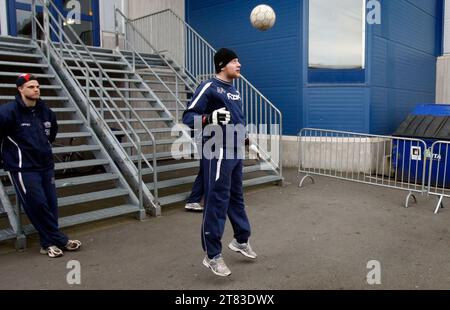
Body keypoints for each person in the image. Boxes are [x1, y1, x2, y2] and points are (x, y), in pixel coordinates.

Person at [182, 48, 259, 277]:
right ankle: (212, 255)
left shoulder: (234, 91)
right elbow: (187, 117)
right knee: (216, 200)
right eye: (235, 61)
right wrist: (208, 118)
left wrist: (247, 141)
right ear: (222, 64)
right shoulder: (209, 87)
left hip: (235, 151)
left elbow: (236, 120)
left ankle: (240, 240)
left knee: (236, 197)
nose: (239, 64)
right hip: (217, 149)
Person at [0, 73, 81, 258]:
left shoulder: (46, 111)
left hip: (45, 165)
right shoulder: (7, 112)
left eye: (37, 86)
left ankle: (47, 243)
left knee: (51, 205)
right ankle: (60, 239)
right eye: (30, 87)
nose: (36, 89)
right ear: (20, 89)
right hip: (23, 168)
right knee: (37, 204)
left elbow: (51, 134)